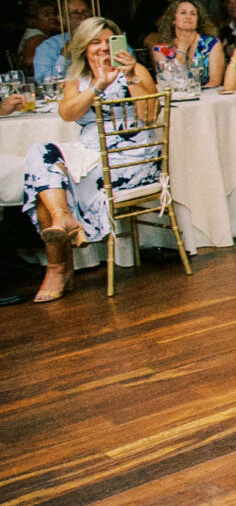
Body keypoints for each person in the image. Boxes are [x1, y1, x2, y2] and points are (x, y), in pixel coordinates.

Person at [21, 18, 160, 302]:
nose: (102, 49)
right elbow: (67, 114)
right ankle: (63, 218)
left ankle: (58, 268)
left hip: (128, 157)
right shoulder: (78, 78)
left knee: (47, 186)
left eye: (108, 41)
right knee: (40, 155)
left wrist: (130, 75)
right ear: (84, 48)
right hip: (89, 152)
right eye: (95, 42)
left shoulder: (135, 71)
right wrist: (96, 86)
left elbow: (148, 115)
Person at [151, 0, 225, 88]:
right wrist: (181, 50)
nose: (188, 17)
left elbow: (215, 81)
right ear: (173, 20)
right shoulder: (160, 50)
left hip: (206, 97)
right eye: (183, 13)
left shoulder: (211, 43)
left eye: (193, 14)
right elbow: (169, 82)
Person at [31, 0, 90, 81]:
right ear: (62, 19)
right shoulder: (48, 47)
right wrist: (65, 56)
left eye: (85, 12)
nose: (82, 17)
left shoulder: (103, 40)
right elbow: (44, 82)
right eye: (74, 13)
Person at [18, 0, 58, 69]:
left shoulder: (42, 34)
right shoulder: (36, 38)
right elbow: (29, 62)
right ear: (34, 20)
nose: (53, 17)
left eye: (54, 14)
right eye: (46, 15)